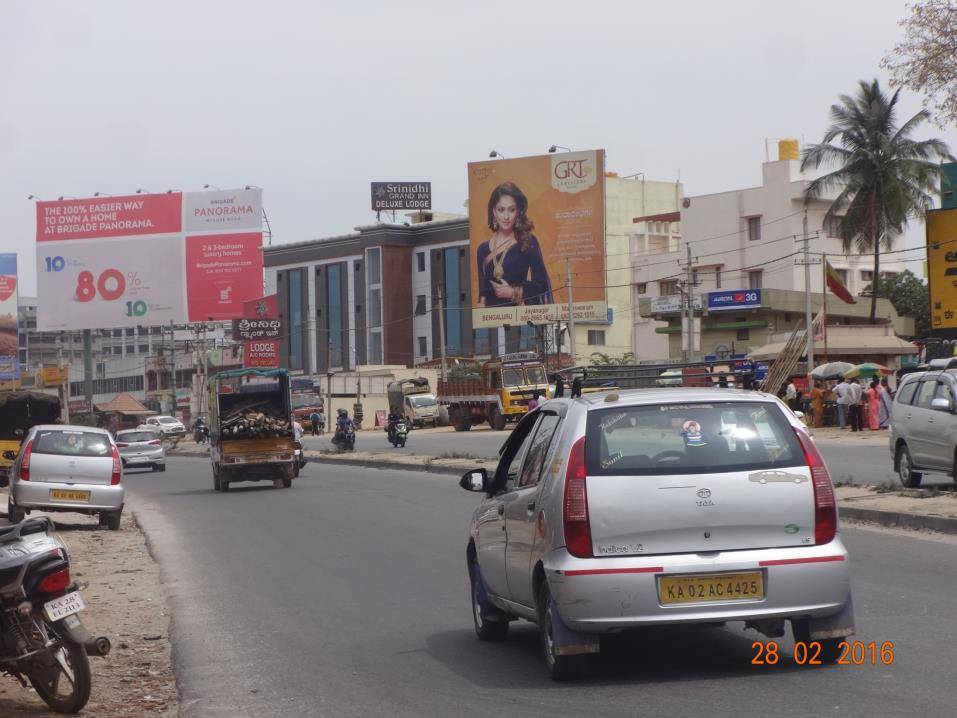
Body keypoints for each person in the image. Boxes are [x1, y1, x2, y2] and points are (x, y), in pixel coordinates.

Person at [475, 182, 552, 308]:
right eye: (501, 210)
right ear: (494, 211)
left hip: (519, 316)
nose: (506, 216)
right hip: (492, 319)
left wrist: (512, 292)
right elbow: (483, 292)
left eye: (511, 210)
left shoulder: (528, 241)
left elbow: (541, 284)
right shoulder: (482, 250)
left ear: (518, 212)